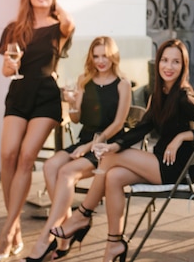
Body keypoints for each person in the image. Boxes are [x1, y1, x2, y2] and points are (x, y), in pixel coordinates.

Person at [50, 39, 194, 262]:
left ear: (183, 65)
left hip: (177, 169)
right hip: (159, 162)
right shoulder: (160, 94)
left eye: (175, 62)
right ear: (158, 63)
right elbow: (142, 128)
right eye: (164, 60)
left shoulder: (184, 96)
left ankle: (82, 215)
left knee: (109, 157)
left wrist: (183, 136)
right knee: (113, 177)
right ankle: (114, 244)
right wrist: (114, 144)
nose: (169, 66)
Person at [19, 36, 132, 262]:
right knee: (50, 166)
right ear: (91, 57)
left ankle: (46, 239)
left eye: (105, 56)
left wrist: (89, 146)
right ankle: (66, 229)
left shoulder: (123, 84)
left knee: (67, 172)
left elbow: (119, 124)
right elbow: (77, 118)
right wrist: (72, 105)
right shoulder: (84, 80)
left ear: (113, 57)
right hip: (85, 139)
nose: (101, 61)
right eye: (96, 56)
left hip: (106, 147)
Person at [0, 0, 75, 262]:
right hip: (19, 90)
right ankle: (14, 226)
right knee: (8, 155)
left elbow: (69, 22)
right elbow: (7, 71)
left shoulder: (59, 27)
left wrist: (52, 5)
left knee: (27, 156)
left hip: (46, 95)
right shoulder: (14, 29)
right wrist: (8, 64)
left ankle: (6, 233)